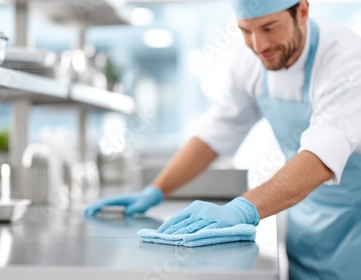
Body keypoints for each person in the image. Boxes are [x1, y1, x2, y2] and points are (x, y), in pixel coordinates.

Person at [84, 0, 361, 279]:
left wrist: (244, 208)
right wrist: (157, 189)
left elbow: (320, 158)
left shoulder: (344, 57)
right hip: (305, 221)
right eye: (245, 31)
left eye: (269, 27)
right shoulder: (252, 61)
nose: (259, 44)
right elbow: (217, 131)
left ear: (302, 12)